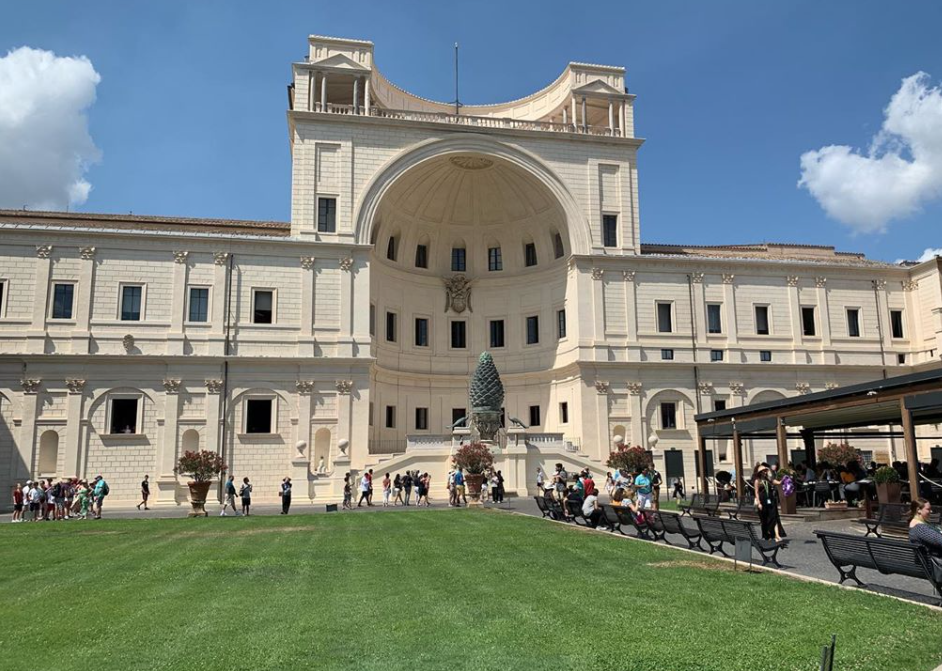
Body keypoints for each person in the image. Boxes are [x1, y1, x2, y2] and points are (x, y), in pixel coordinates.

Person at [754, 465, 784, 542]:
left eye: (765, 470)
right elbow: (756, 492)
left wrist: (782, 480)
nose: (764, 472)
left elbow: (776, 482)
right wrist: (759, 503)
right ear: (760, 473)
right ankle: (767, 535)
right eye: (763, 471)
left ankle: (777, 535)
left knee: (774, 517)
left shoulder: (768, 479)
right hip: (762, 500)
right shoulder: (757, 481)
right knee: (764, 520)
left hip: (770, 499)